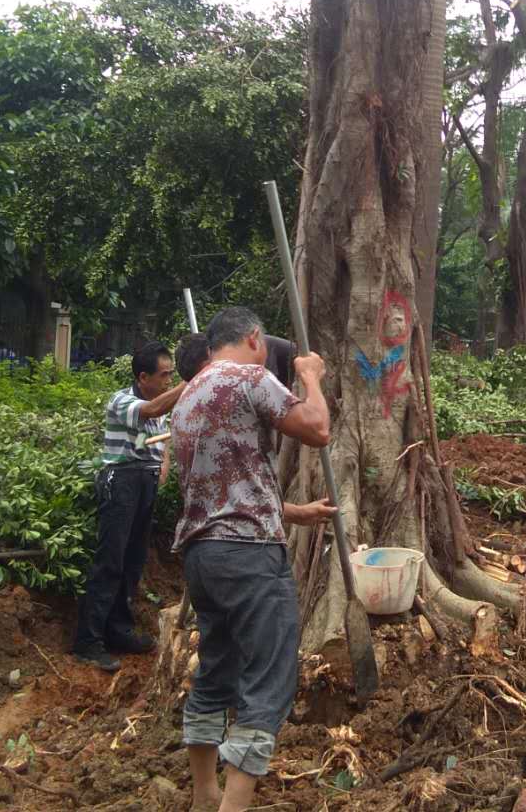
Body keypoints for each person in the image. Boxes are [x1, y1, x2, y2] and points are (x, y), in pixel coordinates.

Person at [169, 306, 334, 812]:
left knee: (216, 671)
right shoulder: (250, 377)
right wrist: (310, 378)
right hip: (250, 556)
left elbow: (221, 484)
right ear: (255, 339)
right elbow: (317, 429)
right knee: (267, 680)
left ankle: (204, 794)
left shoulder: (188, 397)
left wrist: (293, 511)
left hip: (202, 557)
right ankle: (234, 806)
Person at [72, 341, 185, 671]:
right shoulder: (123, 401)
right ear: (143, 376)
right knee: (110, 561)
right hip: (120, 483)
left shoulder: (157, 404)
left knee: (133, 563)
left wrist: (162, 468)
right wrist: (188, 384)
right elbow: (151, 413)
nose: (168, 380)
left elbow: (162, 437)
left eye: (172, 375)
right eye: (164, 375)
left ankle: (118, 631)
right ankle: (87, 642)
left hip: (144, 485)